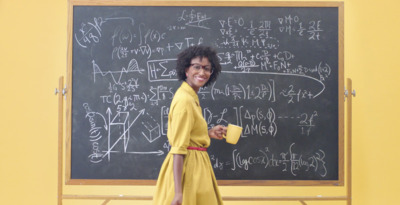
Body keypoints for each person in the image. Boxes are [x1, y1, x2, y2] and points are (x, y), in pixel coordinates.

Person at [153, 45, 227, 205]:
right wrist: (178, 193)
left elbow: (187, 135)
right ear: (186, 69)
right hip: (188, 170)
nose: (202, 72)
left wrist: (208, 133)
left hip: (196, 167)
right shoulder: (185, 100)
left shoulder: (189, 95)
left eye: (207, 68)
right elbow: (179, 148)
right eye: (196, 67)